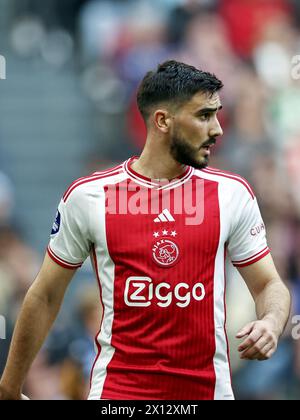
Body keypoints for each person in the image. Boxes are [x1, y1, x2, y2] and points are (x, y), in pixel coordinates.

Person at [0, 60, 291, 400]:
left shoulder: (232, 194)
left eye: (216, 114)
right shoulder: (90, 197)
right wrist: (9, 385)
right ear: (162, 121)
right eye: (203, 115)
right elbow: (45, 295)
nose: (217, 129)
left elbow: (270, 284)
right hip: (119, 397)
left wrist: (271, 321)